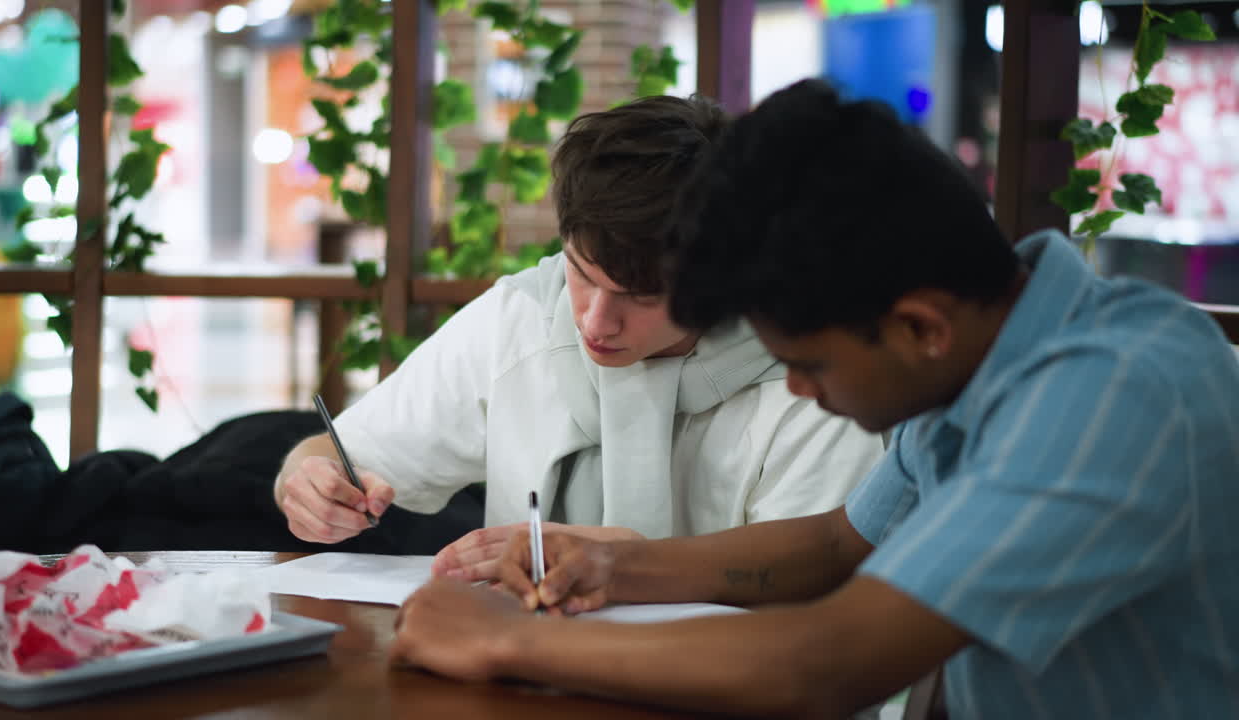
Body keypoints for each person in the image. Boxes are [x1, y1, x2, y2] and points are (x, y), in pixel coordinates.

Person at [387, 79, 1239, 718]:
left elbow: (826, 665)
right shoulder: (988, 353)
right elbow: (840, 543)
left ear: (918, 327)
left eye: (808, 362)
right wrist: (610, 566)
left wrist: (509, 638)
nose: (795, 387)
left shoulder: (1115, 398)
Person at [273, 94, 883, 579]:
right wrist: (310, 485)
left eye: (642, 296)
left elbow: (811, 629)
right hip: (520, 668)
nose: (593, 322)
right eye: (583, 274)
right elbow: (337, 454)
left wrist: (631, 566)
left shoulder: (812, 386)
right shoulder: (526, 316)